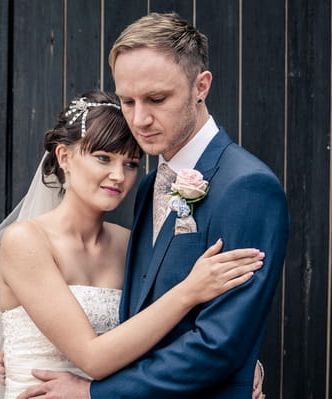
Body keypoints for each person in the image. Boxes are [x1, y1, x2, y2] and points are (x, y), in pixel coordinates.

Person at [16, 12, 288, 399]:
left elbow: (220, 343)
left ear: (201, 86)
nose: (140, 119)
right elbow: (140, 314)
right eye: (127, 101)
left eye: (157, 99)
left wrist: (95, 393)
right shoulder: (148, 186)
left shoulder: (247, 186)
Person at [0, 90, 266, 399]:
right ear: (64, 157)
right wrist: (189, 291)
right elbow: (93, 358)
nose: (118, 176)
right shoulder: (26, 241)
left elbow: (166, 332)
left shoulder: (129, 243)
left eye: (130, 164)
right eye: (103, 158)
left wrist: (239, 365)